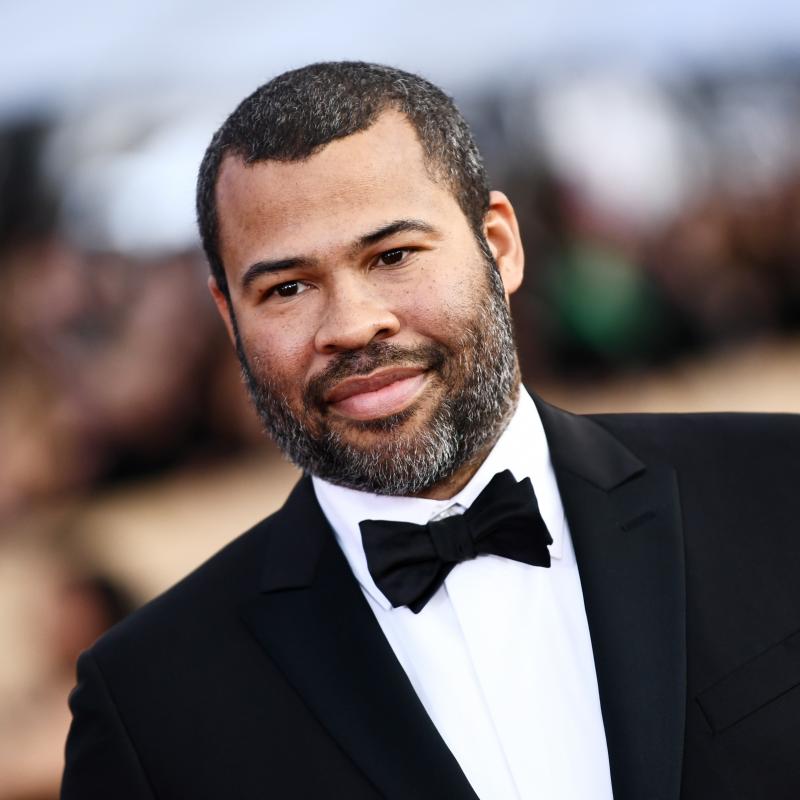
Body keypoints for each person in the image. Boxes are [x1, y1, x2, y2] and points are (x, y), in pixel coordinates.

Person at [61, 62, 800, 800]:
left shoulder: (778, 491)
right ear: (230, 319)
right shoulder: (148, 703)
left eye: (393, 256)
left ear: (499, 246)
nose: (352, 326)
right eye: (287, 288)